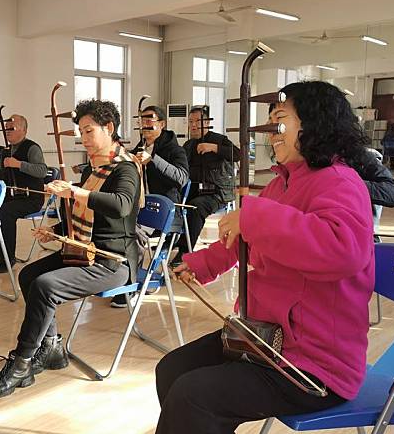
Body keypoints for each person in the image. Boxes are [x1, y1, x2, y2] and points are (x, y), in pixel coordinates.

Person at [156, 81, 375, 434]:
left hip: (315, 362)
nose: (272, 131)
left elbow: (343, 251)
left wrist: (257, 219)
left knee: (194, 396)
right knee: (172, 370)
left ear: (314, 123)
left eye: (281, 120)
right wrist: (201, 263)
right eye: (271, 120)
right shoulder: (281, 183)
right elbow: (242, 239)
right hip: (265, 339)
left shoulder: (341, 182)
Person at [0, 99, 142, 399]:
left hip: (112, 262)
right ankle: (51, 347)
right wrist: (56, 231)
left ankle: (21, 363)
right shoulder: (94, 169)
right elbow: (82, 215)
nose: (84, 138)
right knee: (29, 275)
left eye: (89, 131)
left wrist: (76, 191)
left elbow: (121, 206)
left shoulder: (125, 168)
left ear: (109, 128)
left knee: (45, 285)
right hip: (83, 250)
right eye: (81, 131)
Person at [111, 104, 188, 308]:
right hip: (141, 210)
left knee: (130, 233)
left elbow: (181, 177)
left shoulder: (175, 149)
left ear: (162, 124)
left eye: (149, 119)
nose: (145, 124)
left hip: (163, 215)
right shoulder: (140, 147)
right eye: (141, 120)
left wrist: (153, 160)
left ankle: (131, 284)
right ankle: (116, 276)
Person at [172, 105, 239, 266]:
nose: (193, 125)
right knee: (173, 202)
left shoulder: (219, 139)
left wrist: (214, 148)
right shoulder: (188, 145)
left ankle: (184, 251)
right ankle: (171, 239)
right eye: (190, 121)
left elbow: (237, 154)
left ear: (207, 122)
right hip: (195, 189)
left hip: (216, 192)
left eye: (197, 121)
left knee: (195, 208)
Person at [0, 114, 47, 272]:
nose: (7, 131)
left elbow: (42, 171)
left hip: (31, 198)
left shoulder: (32, 148)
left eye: (12, 128)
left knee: (5, 212)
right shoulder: (5, 151)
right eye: (6, 128)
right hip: (11, 196)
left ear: (24, 130)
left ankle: (8, 256)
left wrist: (19, 164)